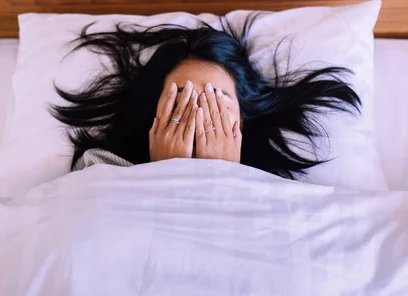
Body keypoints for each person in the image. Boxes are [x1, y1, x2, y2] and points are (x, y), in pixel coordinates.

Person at [52, 13, 360, 179]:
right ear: (154, 111)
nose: (199, 114)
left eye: (216, 99)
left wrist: (222, 176)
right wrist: (167, 173)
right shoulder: (100, 170)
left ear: (242, 118)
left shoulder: (274, 190)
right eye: (181, 99)